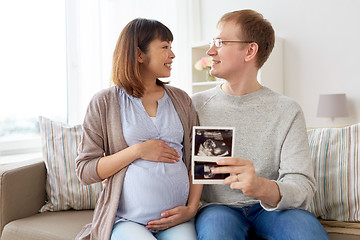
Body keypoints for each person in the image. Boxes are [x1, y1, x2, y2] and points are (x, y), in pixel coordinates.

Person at [192, 9, 329, 240]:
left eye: (220, 42)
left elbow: (303, 185)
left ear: (250, 51)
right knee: (217, 232)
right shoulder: (195, 106)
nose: (210, 51)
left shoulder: (287, 110)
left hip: (273, 210)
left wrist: (261, 187)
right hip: (218, 208)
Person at [75, 18, 202, 240]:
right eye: (165, 47)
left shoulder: (181, 99)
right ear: (139, 54)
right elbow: (85, 170)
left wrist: (191, 209)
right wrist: (138, 151)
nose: (172, 55)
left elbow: (199, 159)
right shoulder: (104, 102)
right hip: (128, 221)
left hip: (177, 219)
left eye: (171, 47)